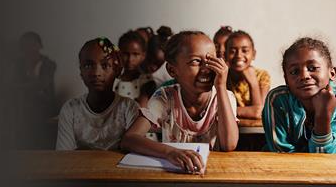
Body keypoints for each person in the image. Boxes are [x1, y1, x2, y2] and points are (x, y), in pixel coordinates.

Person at [121, 31, 239, 175]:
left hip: (213, 176)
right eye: (195, 61)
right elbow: (130, 139)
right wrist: (170, 152)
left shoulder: (225, 97)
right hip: (173, 177)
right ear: (172, 70)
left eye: (211, 60)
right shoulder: (166, 97)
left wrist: (221, 87)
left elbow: (229, 144)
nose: (206, 69)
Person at [262, 37, 336, 153]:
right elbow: (281, 153)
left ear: (332, 73)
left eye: (312, 68)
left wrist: (322, 118)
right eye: (295, 72)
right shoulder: (277, 99)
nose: (304, 76)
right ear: (286, 79)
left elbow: (330, 157)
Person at [56, 37, 139, 150]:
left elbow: (133, 153)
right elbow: (63, 157)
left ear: (117, 70)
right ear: (81, 71)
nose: (96, 73)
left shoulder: (128, 108)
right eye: (88, 65)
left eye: (105, 65)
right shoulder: (71, 110)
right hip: (79, 168)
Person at [13, 31, 57, 149]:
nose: (29, 49)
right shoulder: (18, 64)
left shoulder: (48, 64)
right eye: (25, 46)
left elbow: (42, 84)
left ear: (39, 46)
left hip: (44, 105)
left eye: (32, 45)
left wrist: (22, 87)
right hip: (21, 105)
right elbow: (11, 84)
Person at [225, 30, 270, 120]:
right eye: (233, 51)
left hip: (255, 131)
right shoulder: (222, 77)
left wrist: (253, 83)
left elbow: (259, 112)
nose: (238, 55)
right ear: (225, 54)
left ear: (253, 54)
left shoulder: (262, 76)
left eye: (245, 51)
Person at [114, 30, 156, 107]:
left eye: (135, 54)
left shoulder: (147, 81)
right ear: (119, 53)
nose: (130, 59)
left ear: (143, 56)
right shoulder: (113, 81)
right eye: (126, 54)